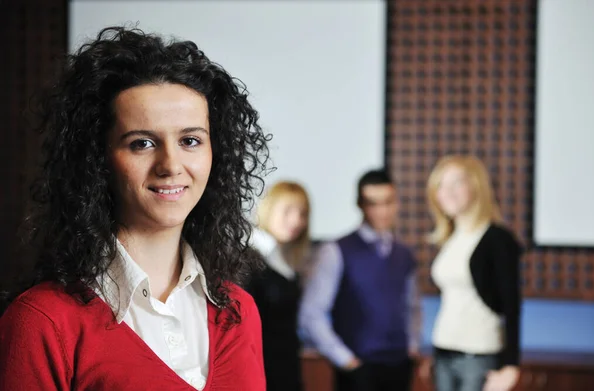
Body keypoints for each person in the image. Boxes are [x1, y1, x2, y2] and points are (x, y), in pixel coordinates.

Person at [0, 26, 271, 391]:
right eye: (142, 143)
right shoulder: (42, 321)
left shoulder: (239, 312)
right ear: (98, 159)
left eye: (190, 140)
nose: (171, 165)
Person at [299, 169, 421, 391]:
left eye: (388, 202)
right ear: (360, 205)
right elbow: (311, 313)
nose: (382, 211)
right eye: (373, 203)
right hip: (358, 370)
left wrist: (412, 346)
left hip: (400, 367)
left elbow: (411, 307)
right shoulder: (336, 251)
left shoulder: (405, 255)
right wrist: (345, 360)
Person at [420, 155, 522, 391]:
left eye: (457, 183)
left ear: (476, 186)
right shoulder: (449, 238)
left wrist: (510, 366)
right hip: (443, 350)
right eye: (441, 185)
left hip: (478, 353)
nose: (448, 191)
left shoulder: (497, 239)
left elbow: (512, 305)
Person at [246, 181, 311, 391]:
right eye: (288, 211)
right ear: (268, 210)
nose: (296, 221)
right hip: (262, 373)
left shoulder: (284, 259)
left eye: (302, 213)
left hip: (285, 369)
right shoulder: (247, 259)